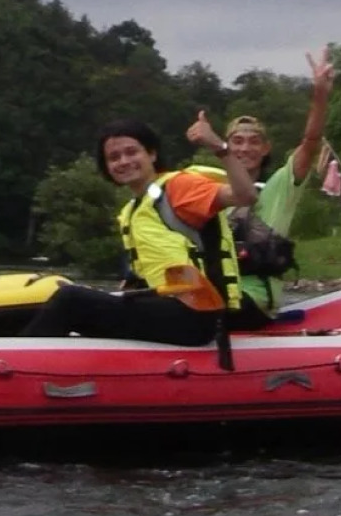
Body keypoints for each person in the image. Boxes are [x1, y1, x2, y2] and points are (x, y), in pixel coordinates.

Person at [19, 111, 257, 345]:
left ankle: (18, 365)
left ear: (152, 154)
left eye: (132, 152)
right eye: (114, 157)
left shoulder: (179, 187)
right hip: (166, 307)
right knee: (55, 300)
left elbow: (245, 195)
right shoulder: (134, 208)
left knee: (70, 300)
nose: (123, 161)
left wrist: (219, 147)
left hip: (194, 314)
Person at [223, 45, 336, 312]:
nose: (245, 149)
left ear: (265, 148)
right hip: (216, 296)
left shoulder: (278, 186)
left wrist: (319, 96)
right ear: (225, 148)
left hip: (254, 300)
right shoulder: (211, 191)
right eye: (237, 142)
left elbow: (310, 143)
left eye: (253, 142)